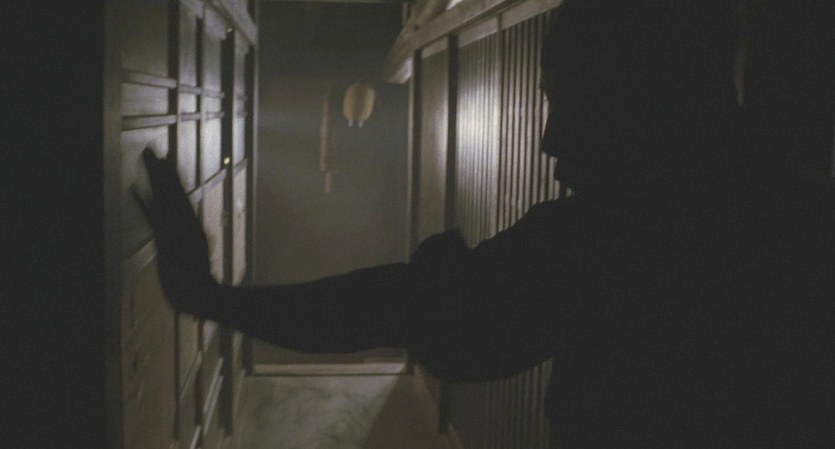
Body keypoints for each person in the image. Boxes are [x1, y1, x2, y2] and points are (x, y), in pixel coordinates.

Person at [137, 0, 835, 446]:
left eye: (573, 103)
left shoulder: (618, 242)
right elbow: (429, 312)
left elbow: (407, 310)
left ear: (651, 102)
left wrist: (208, 296)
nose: (549, 140)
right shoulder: (784, 220)